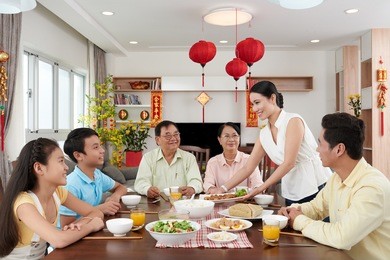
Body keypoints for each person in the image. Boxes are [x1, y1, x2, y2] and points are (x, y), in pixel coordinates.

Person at [278, 112, 390, 259]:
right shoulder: (336, 177)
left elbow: (342, 237)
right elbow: (317, 208)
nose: (317, 149)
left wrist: (299, 220)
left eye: (320, 143)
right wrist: (293, 211)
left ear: (339, 149)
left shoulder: (372, 188)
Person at [212, 81, 331, 206]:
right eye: (252, 104)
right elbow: (248, 167)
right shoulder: (264, 133)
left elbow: (289, 163)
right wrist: (222, 189)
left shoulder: (293, 121)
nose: (254, 109)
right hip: (293, 190)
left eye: (257, 102)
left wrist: (260, 188)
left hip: (316, 185)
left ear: (272, 98)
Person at [0, 138, 104, 259]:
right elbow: (59, 240)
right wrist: (91, 225)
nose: (66, 167)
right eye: (61, 161)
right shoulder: (24, 203)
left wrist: (79, 225)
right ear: (39, 168)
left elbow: (96, 212)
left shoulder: (58, 193)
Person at [59, 128, 127, 227]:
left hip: (92, 229)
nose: (102, 151)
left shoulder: (97, 174)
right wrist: (100, 209)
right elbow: (67, 227)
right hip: (74, 239)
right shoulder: (71, 186)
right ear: (78, 155)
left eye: (100, 146)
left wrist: (114, 197)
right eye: (96, 147)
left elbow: (121, 187)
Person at [134, 120, 203, 198]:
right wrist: (147, 189)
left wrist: (192, 188)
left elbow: (196, 181)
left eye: (176, 134)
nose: (173, 138)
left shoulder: (189, 158)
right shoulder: (148, 158)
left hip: (182, 203)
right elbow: (141, 182)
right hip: (156, 202)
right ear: (157, 140)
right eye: (168, 136)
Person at [203, 122, 263, 194]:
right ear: (219, 140)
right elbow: (207, 185)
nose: (231, 139)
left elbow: (258, 184)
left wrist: (255, 191)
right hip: (222, 202)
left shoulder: (249, 160)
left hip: (244, 202)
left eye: (235, 136)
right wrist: (212, 190)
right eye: (226, 136)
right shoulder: (213, 162)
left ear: (239, 138)